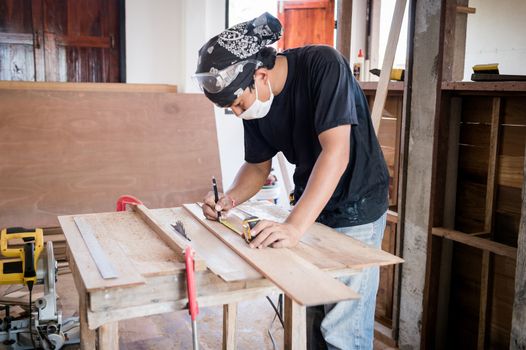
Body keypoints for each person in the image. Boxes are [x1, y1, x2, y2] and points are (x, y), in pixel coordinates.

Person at [194, 12, 389, 350]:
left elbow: (336, 154)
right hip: (311, 204)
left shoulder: (323, 65)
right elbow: (256, 168)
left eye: (238, 104)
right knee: (306, 318)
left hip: (356, 204)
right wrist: (229, 200)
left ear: (261, 75)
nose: (238, 113)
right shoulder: (257, 101)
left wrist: (293, 227)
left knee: (342, 331)